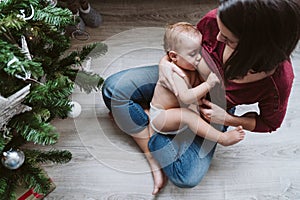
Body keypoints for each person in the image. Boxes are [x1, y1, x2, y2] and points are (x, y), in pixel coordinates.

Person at [102, 0, 300, 195]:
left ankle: (143, 124)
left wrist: (227, 119)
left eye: (229, 39)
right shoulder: (219, 20)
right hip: (180, 78)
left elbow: (269, 123)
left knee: (186, 176)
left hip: (212, 111)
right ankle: (152, 152)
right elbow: (182, 48)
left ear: (254, 47)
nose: (219, 36)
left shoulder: (278, 82)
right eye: (220, 29)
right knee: (113, 88)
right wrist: (165, 65)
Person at [150, 21, 245, 146]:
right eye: (193, 54)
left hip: (180, 111)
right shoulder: (176, 74)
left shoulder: (191, 68)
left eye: (200, 52)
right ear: (174, 56)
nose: (199, 57)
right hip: (162, 117)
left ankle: (197, 130)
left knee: (197, 110)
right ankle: (222, 138)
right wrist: (208, 84)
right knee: (187, 116)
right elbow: (186, 97)